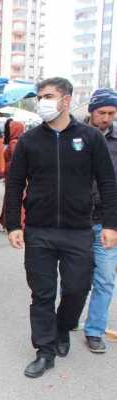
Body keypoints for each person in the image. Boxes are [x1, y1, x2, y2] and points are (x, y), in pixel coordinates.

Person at [6, 77, 117, 378]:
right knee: (42, 293)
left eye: (49, 96)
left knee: (76, 288)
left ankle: (63, 326)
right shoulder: (30, 140)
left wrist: (111, 224)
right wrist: (14, 224)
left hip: (78, 229)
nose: (43, 101)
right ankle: (44, 350)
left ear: (66, 99)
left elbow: (108, 182)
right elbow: (15, 184)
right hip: (40, 231)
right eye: (40, 96)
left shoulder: (90, 138)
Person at [83, 88, 117, 353]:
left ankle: (94, 330)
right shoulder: (75, 136)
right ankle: (69, 316)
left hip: (107, 221)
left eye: (111, 113)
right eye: (101, 112)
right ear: (91, 111)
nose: (106, 118)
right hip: (75, 220)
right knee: (73, 277)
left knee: (105, 278)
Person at [0, 120, 25, 231]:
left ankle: (13, 223)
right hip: (13, 174)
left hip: (12, 175)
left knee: (12, 197)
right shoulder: (21, 141)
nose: (9, 130)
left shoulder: (13, 143)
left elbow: (14, 159)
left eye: (12, 128)